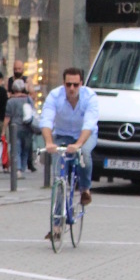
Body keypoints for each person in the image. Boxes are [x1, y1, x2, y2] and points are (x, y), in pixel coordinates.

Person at [40, 66, 99, 206]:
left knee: (84, 153)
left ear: (81, 84)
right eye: (68, 84)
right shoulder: (54, 96)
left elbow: (89, 123)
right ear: (63, 83)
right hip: (62, 135)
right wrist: (49, 142)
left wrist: (78, 144)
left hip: (84, 135)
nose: (72, 88)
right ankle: (57, 222)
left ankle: (85, 189)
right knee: (58, 175)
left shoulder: (90, 97)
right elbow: (46, 120)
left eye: (75, 85)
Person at [2, 79, 35, 178]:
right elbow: (33, 112)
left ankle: (18, 169)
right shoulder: (29, 99)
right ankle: (23, 167)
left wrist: (3, 131)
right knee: (26, 148)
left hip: (15, 128)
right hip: (28, 127)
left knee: (16, 148)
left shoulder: (10, 101)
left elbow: (7, 117)